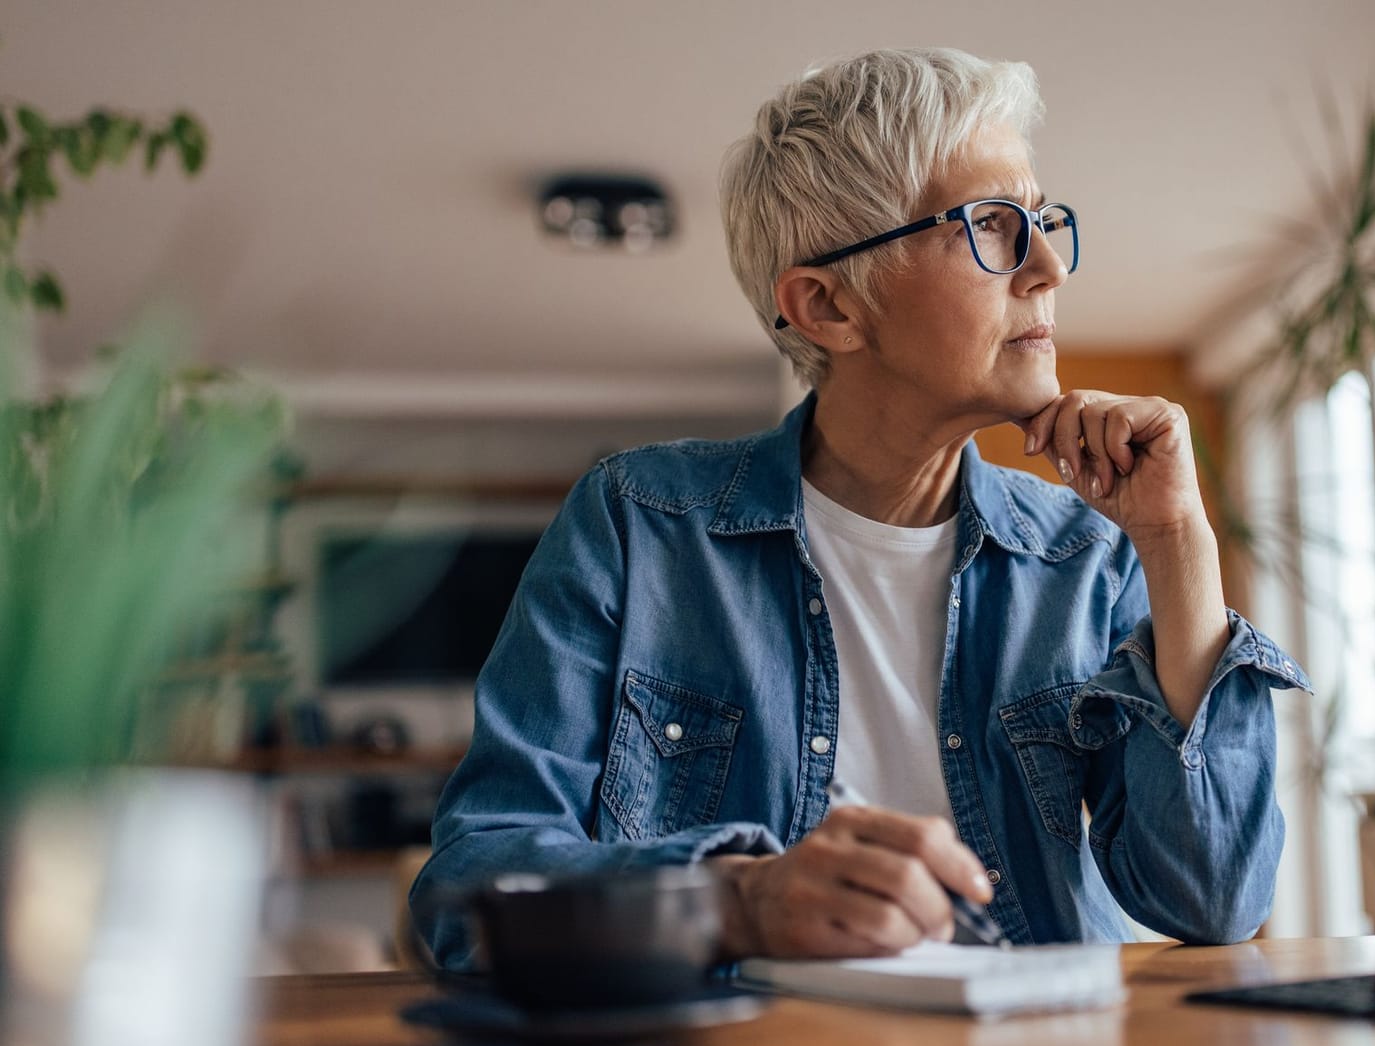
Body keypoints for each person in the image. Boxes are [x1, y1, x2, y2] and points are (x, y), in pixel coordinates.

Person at [412, 46, 1309, 970]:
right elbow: (471, 892)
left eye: (1042, 222)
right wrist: (739, 901)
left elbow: (1214, 904)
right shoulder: (638, 525)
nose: (1047, 267)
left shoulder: (1088, 555)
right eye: (993, 227)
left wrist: (1176, 544)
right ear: (830, 307)